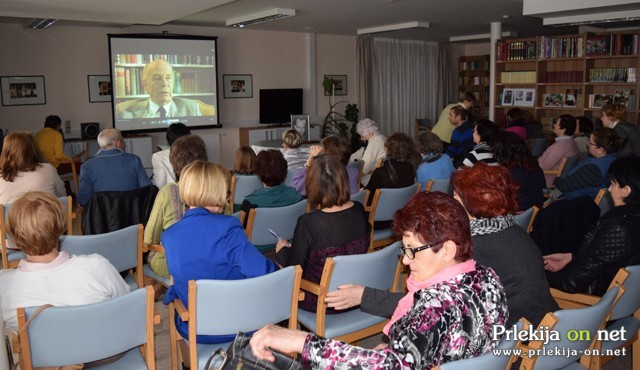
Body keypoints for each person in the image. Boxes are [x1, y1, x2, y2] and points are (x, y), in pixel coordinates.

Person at [250, 191, 508, 369]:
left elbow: (391, 365)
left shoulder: (434, 311)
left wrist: (298, 340)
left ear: (449, 250)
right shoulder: (488, 277)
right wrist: (386, 349)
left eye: (412, 250)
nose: (405, 261)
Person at [162, 161, 278, 344]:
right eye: (225, 191)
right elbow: (261, 271)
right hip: (240, 325)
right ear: (215, 191)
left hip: (195, 329)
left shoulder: (168, 236)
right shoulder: (227, 227)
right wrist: (280, 268)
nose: (226, 196)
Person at [0, 191, 129, 331]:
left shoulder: (5, 286)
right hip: (108, 350)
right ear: (61, 225)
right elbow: (126, 304)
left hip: (44, 353)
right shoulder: (97, 266)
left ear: (13, 235)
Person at [276, 155, 370, 311]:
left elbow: (294, 269)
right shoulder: (360, 210)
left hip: (322, 301)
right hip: (355, 295)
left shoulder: (308, 222)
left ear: (312, 185)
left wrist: (282, 251)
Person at [544, 156, 640, 295]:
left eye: (613, 184)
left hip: (593, 302)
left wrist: (534, 274)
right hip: (621, 297)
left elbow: (571, 284)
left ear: (626, 191)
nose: (609, 189)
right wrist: (571, 257)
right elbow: (614, 257)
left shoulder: (618, 228)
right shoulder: (631, 219)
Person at [144, 135, 208, 279]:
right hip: (211, 260)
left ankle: (166, 289)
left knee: (152, 252)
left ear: (175, 163)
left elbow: (149, 237)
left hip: (176, 264)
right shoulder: (216, 188)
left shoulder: (167, 192)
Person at [77, 128, 151, 206]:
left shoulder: (87, 166)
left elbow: (83, 200)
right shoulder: (134, 160)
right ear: (118, 143)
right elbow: (147, 190)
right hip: (132, 215)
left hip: (101, 216)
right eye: (123, 141)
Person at [553, 127, 627, 201]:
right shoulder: (614, 159)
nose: (588, 145)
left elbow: (564, 186)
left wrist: (556, 179)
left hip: (575, 202)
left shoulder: (593, 169)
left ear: (600, 150)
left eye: (590, 143)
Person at [115, 59, 202, 119]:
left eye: (168, 78)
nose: (164, 84)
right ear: (145, 85)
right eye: (157, 78)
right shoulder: (124, 111)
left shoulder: (192, 108)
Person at [0, 132, 65, 205]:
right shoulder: (48, 170)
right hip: (45, 215)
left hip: (10, 216)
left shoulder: (1, 177)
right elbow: (62, 196)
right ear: (33, 149)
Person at [290, 135, 360, 196]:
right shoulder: (354, 172)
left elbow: (295, 188)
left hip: (323, 210)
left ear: (325, 154)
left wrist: (308, 163)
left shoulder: (320, 176)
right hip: (348, 210)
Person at [492, 131, 545, 211]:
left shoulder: (510, 174)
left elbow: (499, 201)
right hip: (534, 214)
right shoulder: (534, 167)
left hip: (515, 217)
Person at [538, 114, 579, 188]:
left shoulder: (560, 146)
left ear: (564, 129)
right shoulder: (571, 142)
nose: (554, 125)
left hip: (548, 179)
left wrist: (536, 162)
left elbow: (544, 166)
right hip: (557, 178)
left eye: (556, 124)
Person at [151, 122, 191, 188]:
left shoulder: (158, 156)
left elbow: (159, 185)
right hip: (193, 194)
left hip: (170, 196)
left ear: (168, 139)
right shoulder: (195, 153)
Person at [348, 118, 387, 186]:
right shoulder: (381, 137)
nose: (361, 138)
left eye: (362, 135)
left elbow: (364, 167)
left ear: (369, 133)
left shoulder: (374, 143)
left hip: (371, 179)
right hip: (382, 174)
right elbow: (362, 151)